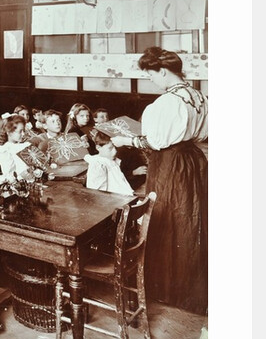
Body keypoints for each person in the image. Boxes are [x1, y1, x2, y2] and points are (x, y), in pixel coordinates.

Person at [110, 47, 208, 315]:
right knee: (191, 217)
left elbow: (155, 141)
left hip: (171, 165)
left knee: (168, 217)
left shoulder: (168, 102)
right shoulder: (198, 97)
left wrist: (124, 140)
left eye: (150, 75)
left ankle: (171, 289)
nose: (150, 80)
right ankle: (189, 284)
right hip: (192, 160)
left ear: (163, 71)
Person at [83, 131, 134, 196]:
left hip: (124, 196)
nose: (115, 151)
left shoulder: (111, 160)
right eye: (110, 149)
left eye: (115, 147)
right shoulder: (98, 164)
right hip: (113, 200)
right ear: (98, 147)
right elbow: (98, 192)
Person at [0, 115, 33, 182]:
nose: (23, 134)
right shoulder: (5, 150)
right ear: (9, 132)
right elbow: (9, 172)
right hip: (16, 183)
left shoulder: (22, 146)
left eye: (23, 130)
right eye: (20, 131)